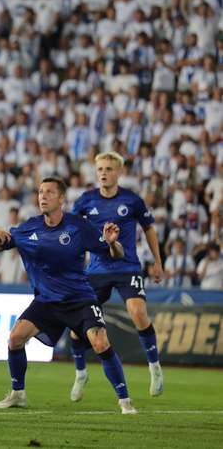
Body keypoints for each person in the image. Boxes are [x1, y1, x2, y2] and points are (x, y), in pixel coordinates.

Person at [0, 177, 137, 415]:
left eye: (49, 192)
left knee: (100, 342)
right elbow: (1, 245)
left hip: (79, 298)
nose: (43, 196)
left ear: (61, 198)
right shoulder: (29, 227)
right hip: (46, 301)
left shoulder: (78, 227)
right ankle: (17, 394)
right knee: (15, 338)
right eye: (40, 192)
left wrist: (113, 243)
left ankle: (125, 401)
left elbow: (116, 255)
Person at [68, 151, 165, 400]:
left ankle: (155, 367)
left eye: (109, 169)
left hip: (127, 267)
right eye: (100, 169)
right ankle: (80, 373)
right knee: (76, 327)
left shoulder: (131, 200)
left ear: (119, 172)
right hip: (96, 270)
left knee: (137, 312)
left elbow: (149, 229)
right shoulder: (86, 201)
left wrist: (158, 261)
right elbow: (70, 228)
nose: (103, 173)